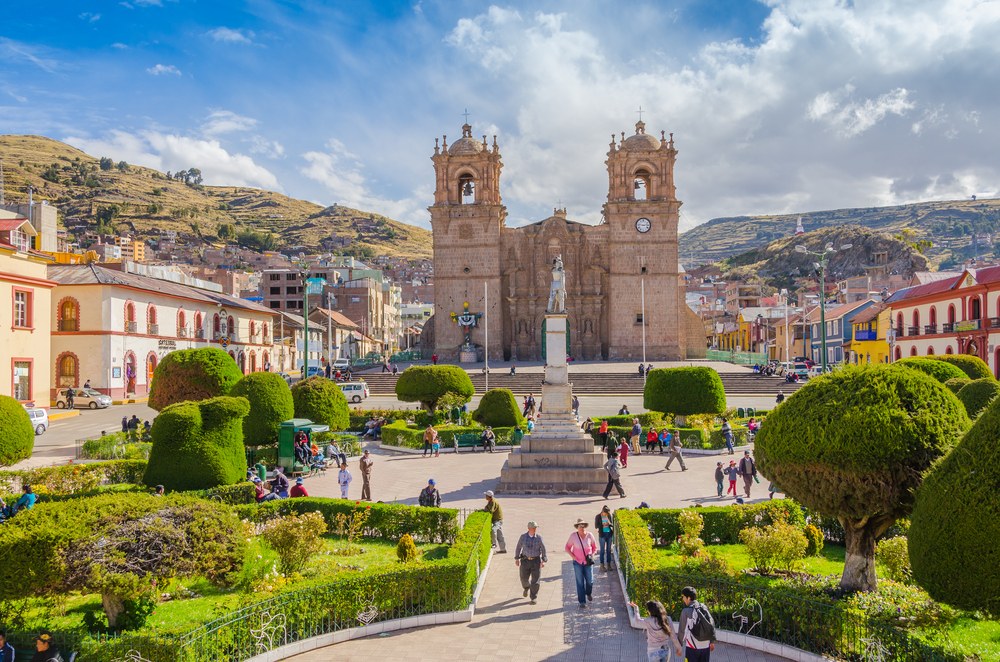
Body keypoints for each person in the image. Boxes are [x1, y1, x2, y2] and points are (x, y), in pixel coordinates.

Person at [677, 586, 717, 661]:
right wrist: (711, 641)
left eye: (683, 597)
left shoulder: (686, 611)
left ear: (688, 598)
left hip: (692, 647)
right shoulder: (703, 607)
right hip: (706, 646)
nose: (683, 599)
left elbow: (682, 630)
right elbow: (711, 623)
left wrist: (679, 646)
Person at [565, 518, 598, 608]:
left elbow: (595, 547)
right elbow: (567, 547)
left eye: (583, 526)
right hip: (577, 563)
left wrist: (592, 555)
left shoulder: (590, 535)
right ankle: (582, 602)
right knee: (580, 582)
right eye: (580, 526)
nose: (582, 528)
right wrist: (573, 557)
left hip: (588, 563)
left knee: (590, 581)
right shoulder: (573, 536)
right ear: (577, 527)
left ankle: (588, 593)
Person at [514, 520, 547, 604]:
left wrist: (543, 560)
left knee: (535, 580)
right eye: (533, 528)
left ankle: (533, 597)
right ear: (529, 528)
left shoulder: (539, 538)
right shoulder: (523, 537)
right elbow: (518, 547)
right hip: (525, 560)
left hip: (536, 561)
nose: (535, 529)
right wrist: (517, 558)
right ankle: (526, 587)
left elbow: (543, 549)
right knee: (523, 578)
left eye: (535, 528)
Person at [595, 505, 614, 571]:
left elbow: (612, 524)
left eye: (608, 513)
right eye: (606, 513)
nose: (606, 514)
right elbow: (596, 526)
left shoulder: (609, 515)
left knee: (609, 550)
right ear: (602, 511)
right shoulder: (598, 516)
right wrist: (602, 524)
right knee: (602, 550)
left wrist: (609, 523)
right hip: (602, 535)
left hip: (609, 534)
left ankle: (609, 565)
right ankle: (602, 565)